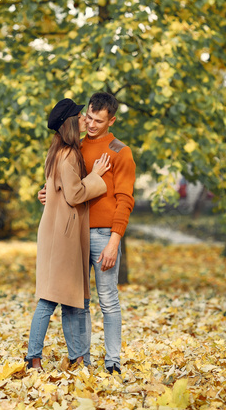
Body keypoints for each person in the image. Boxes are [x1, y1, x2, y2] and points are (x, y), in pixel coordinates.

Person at [39, 92, 136, 375]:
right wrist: (46, 194)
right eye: (89, 118)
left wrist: (114, 241)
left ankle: (113, 361)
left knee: (108, 300)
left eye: (98, 121)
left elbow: (125, 199)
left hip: (105, 235)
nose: (92, 124)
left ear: (111, 120)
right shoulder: (74, 147)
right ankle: (82, 360)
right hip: (75, 235)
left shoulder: (120, 151)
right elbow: (64, 185)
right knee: (77, 301)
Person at [25, 98, 111, 370]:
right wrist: (96, 175)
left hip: (57, 234)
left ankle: (78, 358)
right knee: (51, 298)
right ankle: (33, 357)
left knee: (71, 299)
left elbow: (57, 190)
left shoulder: (56, 151)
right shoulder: (70, 155)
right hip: (63, 238)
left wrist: (47, 194)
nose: (87, 119)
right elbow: (74, 194)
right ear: (72, 123)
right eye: (82, 116)